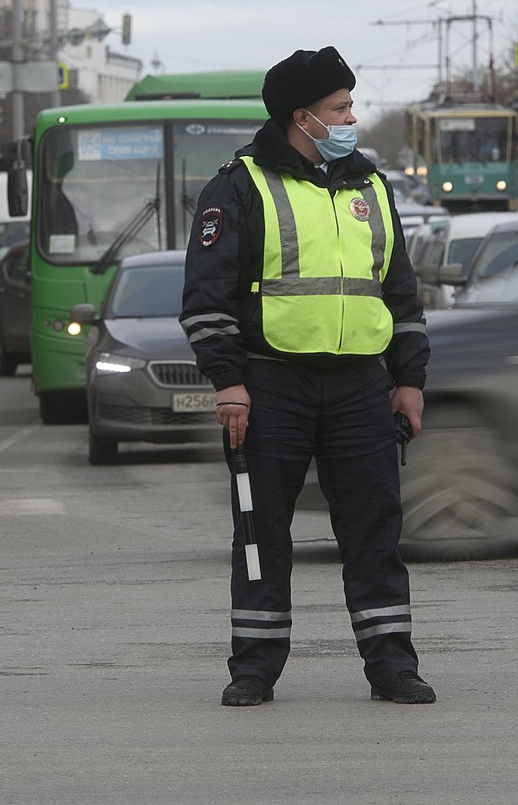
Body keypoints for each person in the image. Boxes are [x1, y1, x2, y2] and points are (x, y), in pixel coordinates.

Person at [180, 46, 434, 708]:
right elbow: (206, 298)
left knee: (375, 532)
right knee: (262, 534)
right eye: (340, 107)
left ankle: (392, 668)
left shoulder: (371, 187)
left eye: (349, 105)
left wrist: (409, 379)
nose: (351, 117)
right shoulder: (240, 186)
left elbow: (401, 295)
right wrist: (228, 383)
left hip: (359, 389)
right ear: (304, 117)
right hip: (271, 389)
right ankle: (254, 670)